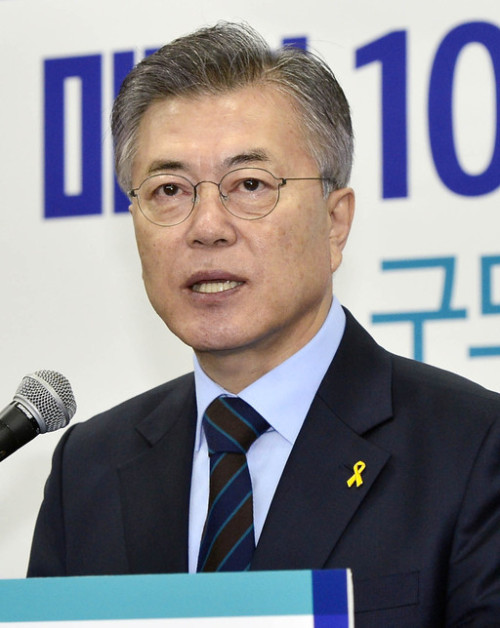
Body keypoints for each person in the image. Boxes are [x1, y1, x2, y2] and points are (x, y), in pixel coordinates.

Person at [28, 22, 500, 626]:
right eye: (169, 190)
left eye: (249, 184)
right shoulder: (87, 469)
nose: (206, 227)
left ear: (335, 222)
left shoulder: (473, 449)